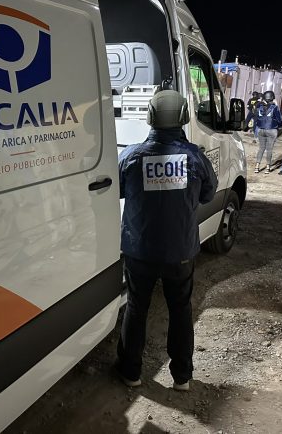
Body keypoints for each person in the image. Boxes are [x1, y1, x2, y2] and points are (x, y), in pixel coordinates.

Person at [116, 89, 217, 392]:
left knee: (136, 308)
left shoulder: (131, 156)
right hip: (180, 251)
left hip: (139, 251)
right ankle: (182, 377)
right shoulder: (195, 158)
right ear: (184, 117)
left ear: (150, 117)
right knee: (180, 309)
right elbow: (208, 194)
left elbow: (116, 190)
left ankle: (131, 373)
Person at [253, 90, 282, 174]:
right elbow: (279, 120)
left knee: (261, 148)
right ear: (272, 98)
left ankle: (257, 166)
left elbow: (256, 119)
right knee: (269, 149)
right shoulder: (274, 107)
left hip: (261, 129)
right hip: (271, 130)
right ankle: (267, 167)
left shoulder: (259, 107)